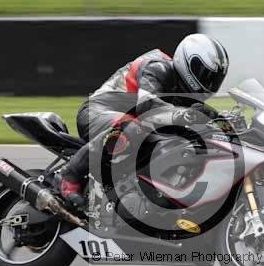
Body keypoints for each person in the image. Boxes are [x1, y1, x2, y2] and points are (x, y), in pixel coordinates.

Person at [55, 33, 230, 207]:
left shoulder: (187, 96)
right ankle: (69, 175)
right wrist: (183, 114)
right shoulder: (157, 67)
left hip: (130, 125)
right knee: (133, 127)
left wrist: (225, 123)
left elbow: (202, 116)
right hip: (97, 112)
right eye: (205, 74)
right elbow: (146, 105)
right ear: (187, 61)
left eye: (215, 79)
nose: (210, 83)